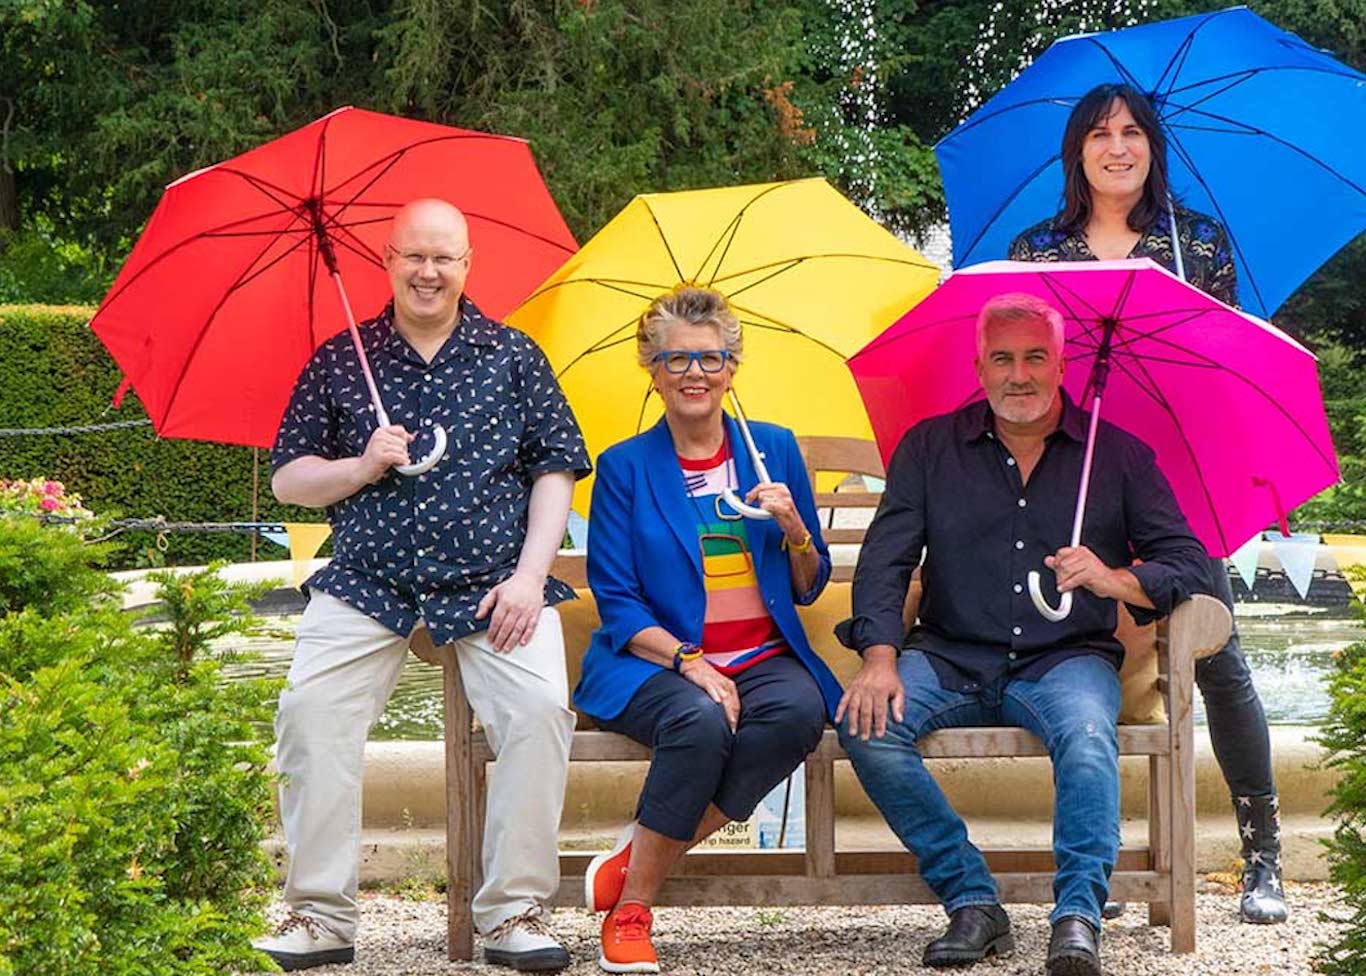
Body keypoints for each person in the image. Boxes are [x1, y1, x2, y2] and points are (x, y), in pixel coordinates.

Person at [255, 199, 590, 972]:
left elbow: (556, 470)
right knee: (309, 714)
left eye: (445, 258)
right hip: (367, 583)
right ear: (388, 260)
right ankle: (321, 917)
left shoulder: (513, 356)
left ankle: (513, 914)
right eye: (414, 256)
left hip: (491, 584)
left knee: (540, 711)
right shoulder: (342, 359)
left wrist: (529, 579)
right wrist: (361, 466)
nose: (429, 272)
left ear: (468, 265)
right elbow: (290, 481)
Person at [834, 293, 1212, 976]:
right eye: (1002, 358)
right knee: (867, 726)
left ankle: (1077, 916)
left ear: (1061, 363)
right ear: (979, 367)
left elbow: (1188, 563)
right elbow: (885, 560)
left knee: (1090, 739)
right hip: (949, 652)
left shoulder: (1116, 455)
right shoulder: (929, 449)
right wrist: (880, 655)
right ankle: (973, 900)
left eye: (1035, 356)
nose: (1019, 374)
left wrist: (1114, 578)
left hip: (1065, 661)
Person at [1008, 82, 1289, 926]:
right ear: (1078, 151)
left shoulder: (1194, 242)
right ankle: (1106, 861)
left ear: (1152, 147)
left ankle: (1262, 852)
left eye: (1133, 132)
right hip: (1076, 475)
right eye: (1100, 134)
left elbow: (1223, 363)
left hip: (1177, 472)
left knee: (1214, 653)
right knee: (1091, 662)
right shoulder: (1039, 249)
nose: (1118, 147)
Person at [573, 286, 841, 975]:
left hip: (761, 653)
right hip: (655, 662)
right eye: (676, 360)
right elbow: (617, 598)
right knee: (699, 720)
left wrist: (794, 527)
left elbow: (809, 581)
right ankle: (632, 910)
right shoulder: (626, 467)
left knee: (800, 711)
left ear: (731, 368)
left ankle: (639, 855)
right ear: (653, 371)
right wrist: (691, 662)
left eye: (710, 359)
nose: (694, 373)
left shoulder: (773, 451)